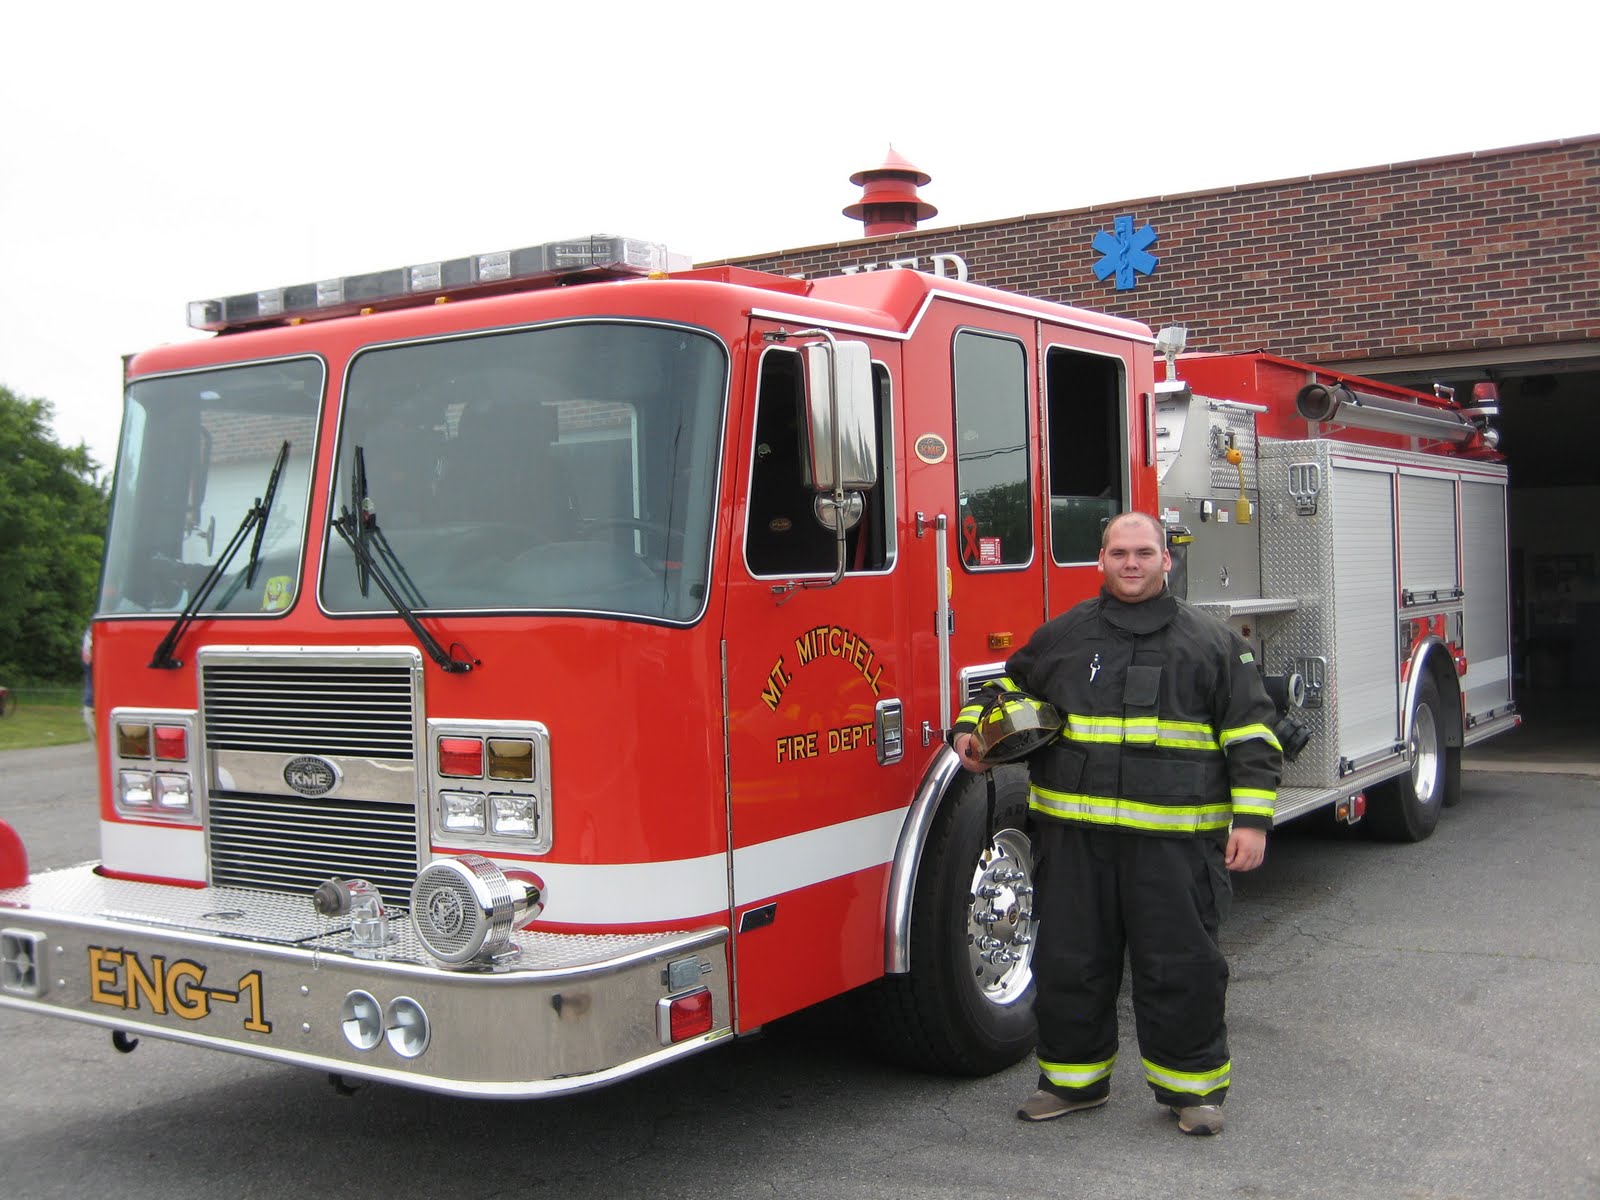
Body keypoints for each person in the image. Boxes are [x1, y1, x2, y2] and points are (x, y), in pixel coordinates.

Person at [952, 511, 1281, 1137]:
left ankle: (1193, 1093)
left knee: (1181, 966)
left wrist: (1253, 822)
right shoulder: (1064, 636)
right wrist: (976, 729)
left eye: (1144, 552)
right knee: (1071, 963)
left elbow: (1251, 737)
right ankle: (1072, 1084)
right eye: (1119, 553)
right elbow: (1002, 693)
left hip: (1175, 848)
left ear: (1167, 560)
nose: (1132, 563)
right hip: (1076, 844)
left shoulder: (1212, 644)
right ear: (1100, 560)